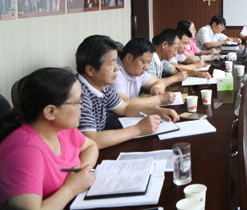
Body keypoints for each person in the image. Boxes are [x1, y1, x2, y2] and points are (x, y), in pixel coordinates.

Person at [0, 68, 98, 209]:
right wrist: (72, 188)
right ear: (50, 111)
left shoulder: (63, 129)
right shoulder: (25, 150)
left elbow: (91, 146)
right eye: (77, 102)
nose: (81, 106)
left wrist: (82, 171)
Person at [76, 35, 180, 149]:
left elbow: (125, 108)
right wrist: (138, 129)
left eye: (116, 62)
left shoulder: (103, 87)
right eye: (112, 63)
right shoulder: (78, 95)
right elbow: (92, 140)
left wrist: (157, 111)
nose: (117, 68)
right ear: (90, 70)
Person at [112, 37, 176, 106]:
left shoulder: (136, 71)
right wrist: (159, 99)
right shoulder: (115, 72)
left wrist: (157, 87)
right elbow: (123, 103)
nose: (146, 67)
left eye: (148, 63)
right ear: (129, 58)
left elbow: (159, 82)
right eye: (144, 62)